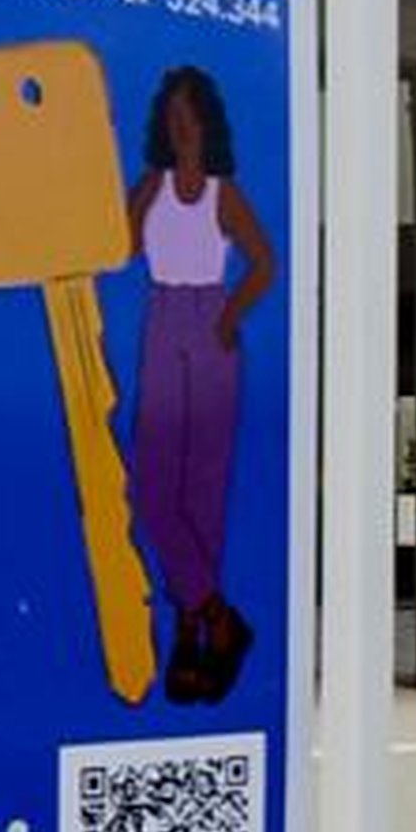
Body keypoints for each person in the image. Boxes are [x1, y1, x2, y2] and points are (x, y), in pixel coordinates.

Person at [123, 64, 278, 703]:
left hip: (208, 321)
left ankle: (192, 634)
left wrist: (230, 317)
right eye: (172, 112)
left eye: (189, 113)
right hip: (164, 317)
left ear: (205, 120)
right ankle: (219, 614)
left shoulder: (224, 193)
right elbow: (122, 246)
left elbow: (265, 262)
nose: (179, 122)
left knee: (203, 489)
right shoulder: (153, 185)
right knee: (152, 485)